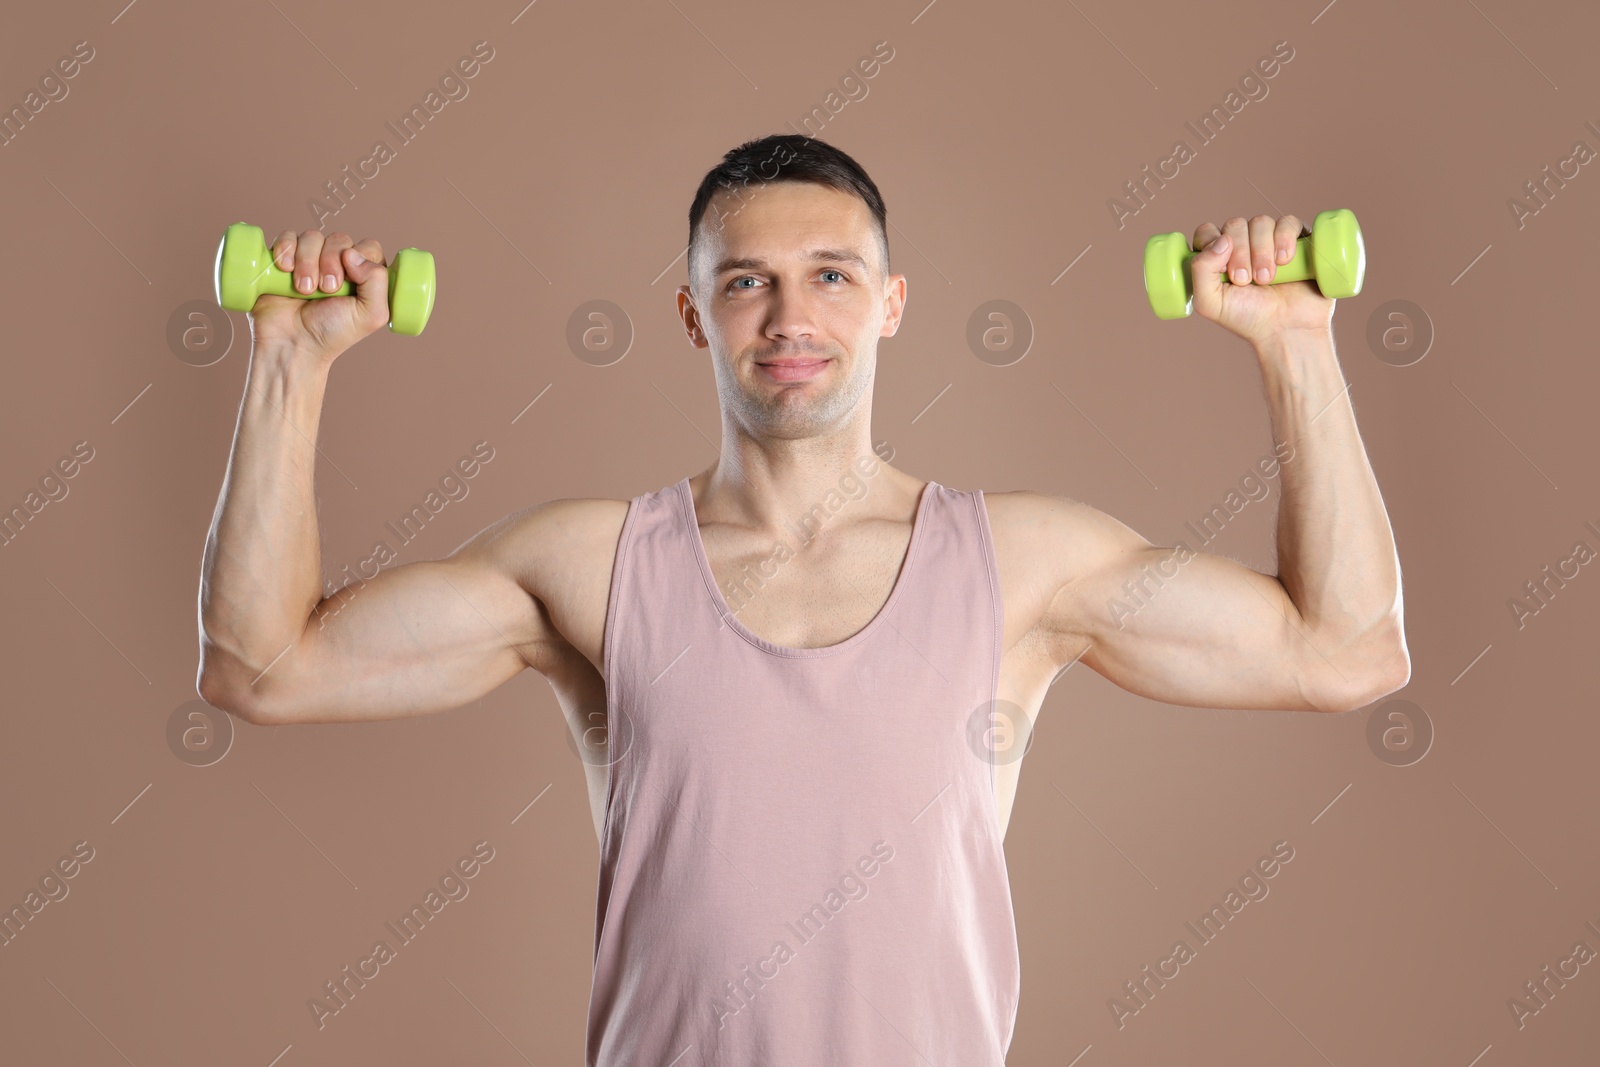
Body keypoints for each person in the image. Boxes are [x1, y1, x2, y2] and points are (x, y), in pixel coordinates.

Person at [197, 134, 1408, 1065]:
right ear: (692, 315)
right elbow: (264, 666)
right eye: (744, 283)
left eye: (831, 275)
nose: (789, 318)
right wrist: (289, 366)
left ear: (889, 305)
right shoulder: (589, 567)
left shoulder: (1023, 565)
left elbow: (1345, 649)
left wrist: (1294, 339)